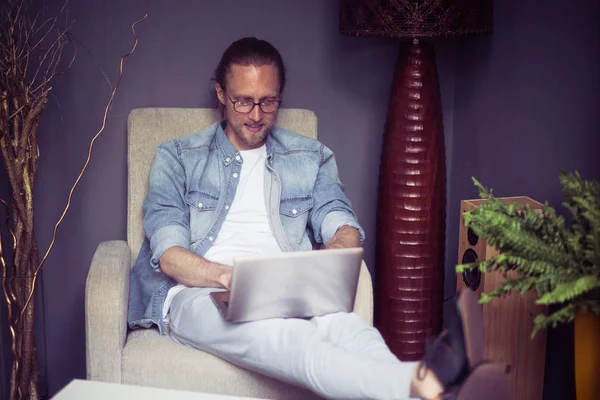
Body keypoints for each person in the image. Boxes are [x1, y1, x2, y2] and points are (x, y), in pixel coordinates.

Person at [127, 37, 496, 400]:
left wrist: (333, 253)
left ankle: (433, 390)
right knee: (293, 341)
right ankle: (431, 383)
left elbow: (341, 221)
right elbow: (170, 253)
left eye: (268, 102)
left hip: (286, 289)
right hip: (199, 293)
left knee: (352, 331)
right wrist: (226, 275)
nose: (256, 115)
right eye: (243, 102)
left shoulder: (308, 155)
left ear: (280, 97)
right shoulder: (178, 156)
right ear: (221, 94)